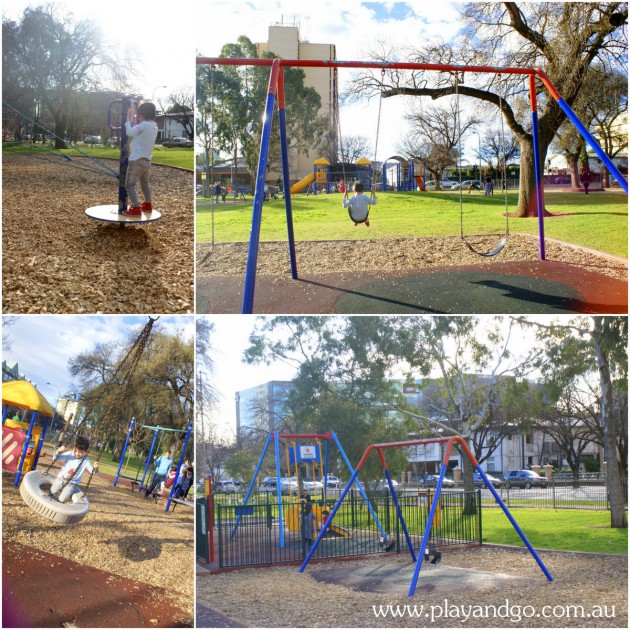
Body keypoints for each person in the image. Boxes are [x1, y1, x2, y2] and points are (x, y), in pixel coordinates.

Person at [122, 101, 159, 216]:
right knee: (144, 184)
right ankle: (148, 204)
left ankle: (136, 207)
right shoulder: (154, 126)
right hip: (146, 161)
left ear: (141, 115)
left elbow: (129, 132)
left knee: (129, 185)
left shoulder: (142, 125)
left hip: (136, 161)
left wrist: (127, 121)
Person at [49, 436, 99, 504]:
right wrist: (58, 451)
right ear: (74, 448)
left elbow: (92, 472)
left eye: (80, 452)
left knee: (62, 500)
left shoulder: (85, 460)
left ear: (85, 451)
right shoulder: (70, 454)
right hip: (61, 478)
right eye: (76, 451)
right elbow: (56, 458)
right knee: (52, 492)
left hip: (72, 483)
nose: (77, 454)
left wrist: (96, 468)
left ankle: (61, 501)